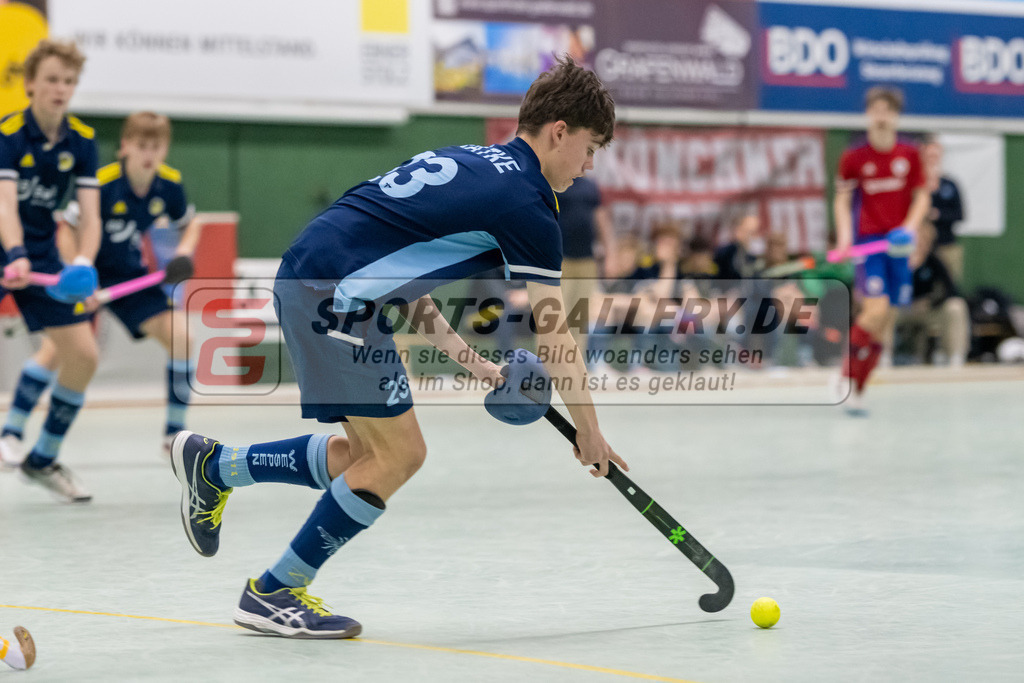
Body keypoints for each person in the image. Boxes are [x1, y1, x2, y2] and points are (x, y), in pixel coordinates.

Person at [168, 56, 627, 639]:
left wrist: (477, 364)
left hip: (318, 280)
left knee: (366, 457)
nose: (588, 166)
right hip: (335, 297)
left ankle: (217, 467)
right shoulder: (530, 205)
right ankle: (274, 591)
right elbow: (554, 329)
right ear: (559, 131)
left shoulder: (468, 160)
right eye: (590, 148)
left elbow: (408, 278)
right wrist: (589, 429)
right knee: (399, 455)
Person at [20, 111, 201, 458]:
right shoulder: (102, 182)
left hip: (128, 276)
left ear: (165, 149)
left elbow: (191, 224)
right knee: (60, 350)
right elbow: (66, 230)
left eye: (156, 146)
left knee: (183, 337)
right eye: (141, 145)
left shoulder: (169, 184)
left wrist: (184, 252)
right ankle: (12, 431)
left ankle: (174, 435)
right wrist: (79, 273)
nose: (149, 154)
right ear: (125, 146)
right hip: (86, 271)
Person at [0, 39, 100, 501]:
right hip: (11, 241)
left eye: (68, 81)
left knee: (83, 355)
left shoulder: (81, 141)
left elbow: (90, 215)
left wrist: (83, 262)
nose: (60, 89)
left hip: (39, 255)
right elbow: (3, 202)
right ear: (31, 85)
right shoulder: (8, 133)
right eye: (52, 80)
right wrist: (13, 250)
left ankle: (41, 459)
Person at [833, 87, 930, 414]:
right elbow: (843, 200)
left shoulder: (910, 153)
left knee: (886, 323)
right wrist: (846, 238)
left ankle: (859, 389)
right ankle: (845, 375)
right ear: (868, 114)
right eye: (875, 109)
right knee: (874, 310)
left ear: (896, 116)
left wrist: (910, 228)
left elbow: (921, 196)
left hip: (899, 247)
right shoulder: (854, 157)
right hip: (869, 244)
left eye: (887, 109)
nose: (881, 115)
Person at [556, 174, 615, 357]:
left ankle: (575, 363)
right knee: (556, 315)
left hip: (586, 260)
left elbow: (601, 219)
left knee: (579, 316)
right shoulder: (554, 183)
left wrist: (611, 254)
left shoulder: (590, 186)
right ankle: (550, 362)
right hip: (560, 259)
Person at [895, 220, 969, 366]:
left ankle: (955, 357)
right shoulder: (896, 260)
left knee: (956, 306)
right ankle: (882, 356)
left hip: (927, 310)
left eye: (924, 240)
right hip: (900, 310)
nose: (920, 244)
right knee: (880, 309)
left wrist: (931, 302)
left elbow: (952, 290)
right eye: (916, 240)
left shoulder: (934, 261)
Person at [920, 136, 965, 284]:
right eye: (929, 155)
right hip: (920, 246)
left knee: (948, 284)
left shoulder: (950, 185)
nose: (933, 159)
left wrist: (938, 214)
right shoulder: (917, 185)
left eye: (936, 155)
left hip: (946, 244)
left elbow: (960, 214)